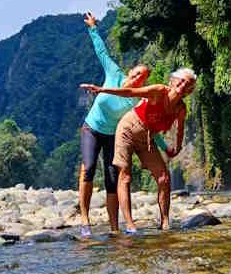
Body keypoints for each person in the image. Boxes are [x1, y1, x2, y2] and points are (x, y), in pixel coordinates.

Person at [78, 12, 165, 237]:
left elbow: (148, 126)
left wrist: (165, 147)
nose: (138, 79)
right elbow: (102, 52)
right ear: (130, 72)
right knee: (88, 168)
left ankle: (114, 228)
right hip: (91, 128)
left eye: (142, 78)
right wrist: (93, 28)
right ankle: (85, 220)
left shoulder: (138, 100)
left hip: (113, 136)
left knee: (111, 179)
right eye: (136, 74)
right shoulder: (114, 73)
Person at [80, 68, 197, 233]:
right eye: (182, 80)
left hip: (147, 138)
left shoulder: (180, 108)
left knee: (164, 178)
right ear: (173, 80)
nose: (183, 85)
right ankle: (130, 225)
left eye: (188, 84)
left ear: (189, 91)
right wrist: (101, 89)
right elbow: (130, 92)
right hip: (127, 129)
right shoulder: (158, 91)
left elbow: (180, 129)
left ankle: (165, 222)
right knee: (125, 176)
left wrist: (176, 149)